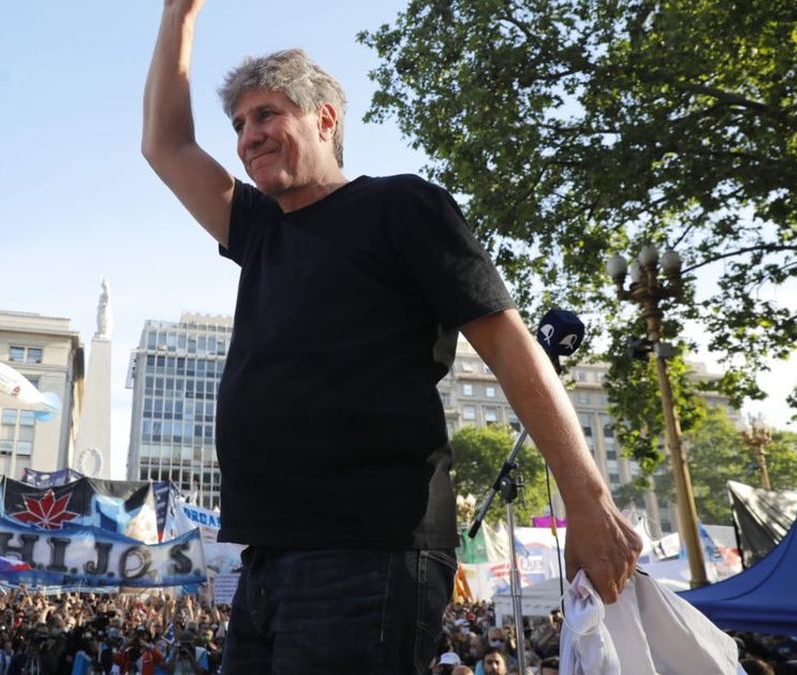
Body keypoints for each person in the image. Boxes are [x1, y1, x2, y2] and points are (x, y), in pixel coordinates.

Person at [142, 0, 641, 672]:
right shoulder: (259, 228)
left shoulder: (402, 206)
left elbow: (508, 345)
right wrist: (181, 13)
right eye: (238, 122)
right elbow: (165, 146)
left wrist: (588, 495)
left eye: (267, 114)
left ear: (325, 119)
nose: (247, 135)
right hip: (266, 557)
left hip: (368, 552)